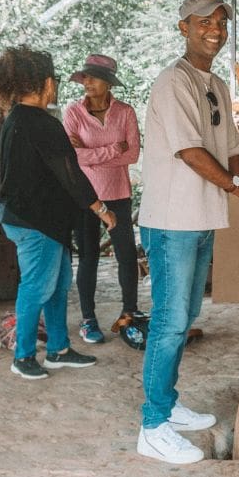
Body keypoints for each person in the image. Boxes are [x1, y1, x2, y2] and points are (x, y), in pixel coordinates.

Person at [137, 0, 239, 465]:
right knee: (170, 322)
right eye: (204, 24)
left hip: (199, 219)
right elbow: (191, 153)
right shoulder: (173, 82)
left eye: (220, 23)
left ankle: (168, 406)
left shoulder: (213, 84)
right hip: (172, 221)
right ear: (184, 29)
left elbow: (229, 148)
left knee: (185, 316)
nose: (215, 31)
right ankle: (151, 426)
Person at [0, 46, 115, 380]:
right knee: (37, 287)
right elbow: (70, 174)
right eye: (54, 80)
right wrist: (100, 208)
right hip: (35, 220)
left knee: (57, 284)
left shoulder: (16, 117)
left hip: (35, 217)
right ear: (45, 82)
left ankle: (58, 349)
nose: (55, 86)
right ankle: (23, 356)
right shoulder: (41, 123)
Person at [63, 54, 141, 344]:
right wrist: (111, 150)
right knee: (88, 258)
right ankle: (88, 319)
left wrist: (90, 154)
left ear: (109, 83)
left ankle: (130, 314)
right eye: (85, 77)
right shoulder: (73, 112)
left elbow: (132, 154)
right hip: (84, 196)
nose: (87, 83)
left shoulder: (125, 112)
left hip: (118, 193)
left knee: (126, 257)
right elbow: (70, 157)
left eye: (94, 78)